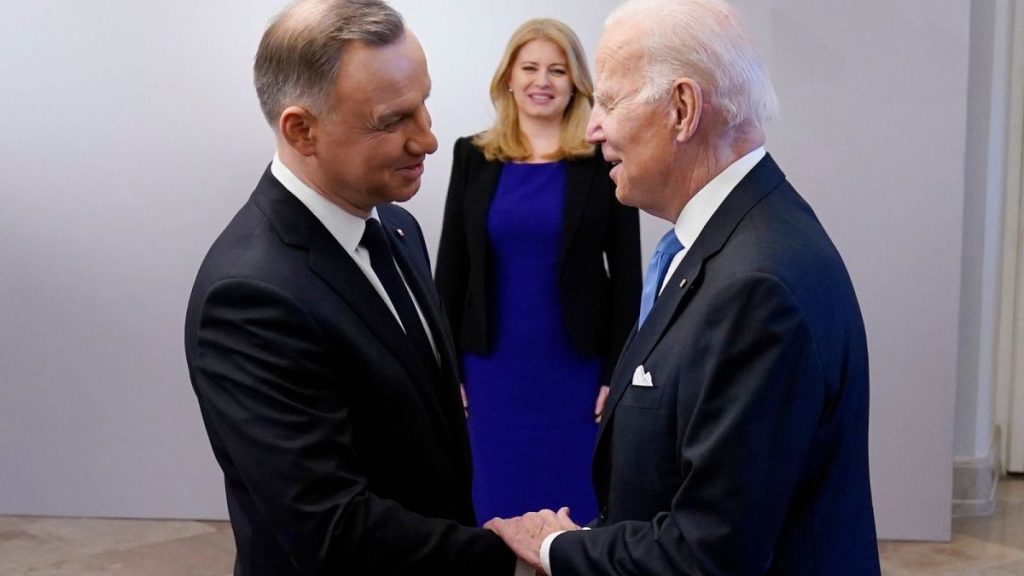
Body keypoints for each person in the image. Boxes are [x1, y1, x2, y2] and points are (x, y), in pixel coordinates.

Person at [485, 0, 882, 574]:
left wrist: (555, 547)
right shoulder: (737, 238)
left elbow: (710, 550)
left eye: (610, 103)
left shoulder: (756, 285)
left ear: (682, 109)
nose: (593, 128)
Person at [183, 1, 516, 574]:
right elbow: (331, 528)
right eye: (392, 121)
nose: (428, 139)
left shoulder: (396, 226)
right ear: (302, 130)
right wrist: (513, 561)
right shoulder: (249, 296)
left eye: (424, 104)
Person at [434, 18, 641, 524]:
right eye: (529, 68)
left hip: (577, 370)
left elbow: (628, 277)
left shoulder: (604, 159)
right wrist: (447, 369)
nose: (541, 81)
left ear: (576, 83)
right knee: (492, 505)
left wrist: (616, 373)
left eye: (557, 70)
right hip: (489, 369)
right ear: (509, 77)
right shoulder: (472, 156)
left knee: (578, 510)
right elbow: (451, 270)